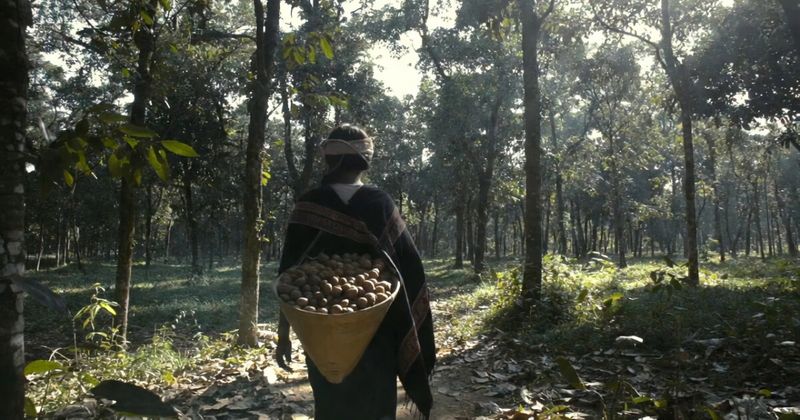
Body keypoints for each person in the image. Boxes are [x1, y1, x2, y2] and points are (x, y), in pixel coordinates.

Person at [274, 125, 435, 419]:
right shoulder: (380, 204)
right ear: (364, 161)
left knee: (331, 402)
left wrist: (283, 334)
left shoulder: (309, 204)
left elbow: (287, 272)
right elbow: (410, 269)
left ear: (329, 160)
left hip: (322, 331)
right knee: (377, 405)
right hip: (378, 331)